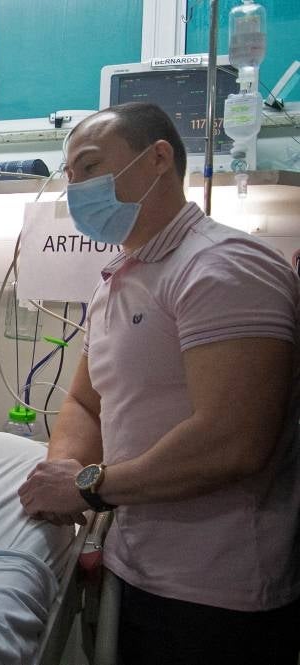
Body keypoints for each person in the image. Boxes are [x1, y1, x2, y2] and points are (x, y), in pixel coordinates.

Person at [17, 102, 300, 664]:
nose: (76, 187)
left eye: (90, 166)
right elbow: (84, 400)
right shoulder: (119, 282)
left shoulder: (221, 268)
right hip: (140, 566)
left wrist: (90, 486)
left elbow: (233, 441)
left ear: (158, 159)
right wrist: (63, 479)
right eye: (69, 175)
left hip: (218, 593)